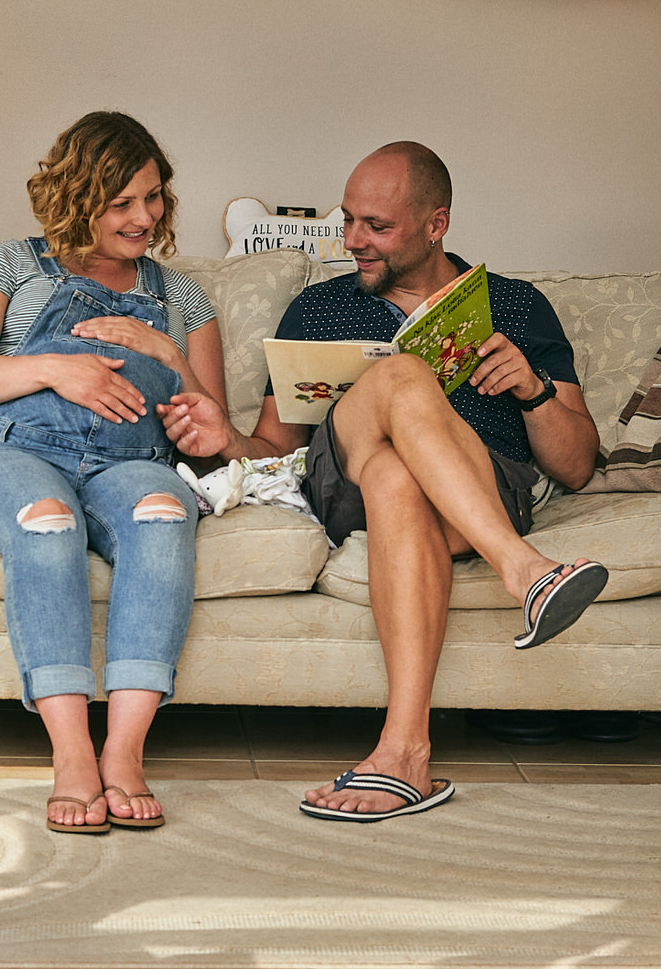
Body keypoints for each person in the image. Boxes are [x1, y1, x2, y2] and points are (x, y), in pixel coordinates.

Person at [161, 141, 608, 823]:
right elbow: (273, 445)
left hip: (482, 491)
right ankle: (526, 572)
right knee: (400, 376)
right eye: (349, 221)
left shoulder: (515, 307)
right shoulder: (319, 309)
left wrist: (534, 389)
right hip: (347, 486)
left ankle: (404, 754)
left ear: (437, 224)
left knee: (400, 474)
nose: (354, 241)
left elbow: (576, 464)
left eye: (378, 227)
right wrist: (225, 440)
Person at [0, 111, 227, 834]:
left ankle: (123, 753)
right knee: (47, 521)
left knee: (165, 513)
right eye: (121, 202)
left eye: (153, 197)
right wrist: (56, 369)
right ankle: (72, 756)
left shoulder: (181, 296)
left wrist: (164, 349)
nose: (144, 217)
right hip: (11, 450)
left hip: (132, 460)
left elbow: (209, 422)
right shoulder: (11, 265)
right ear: (76, 196)